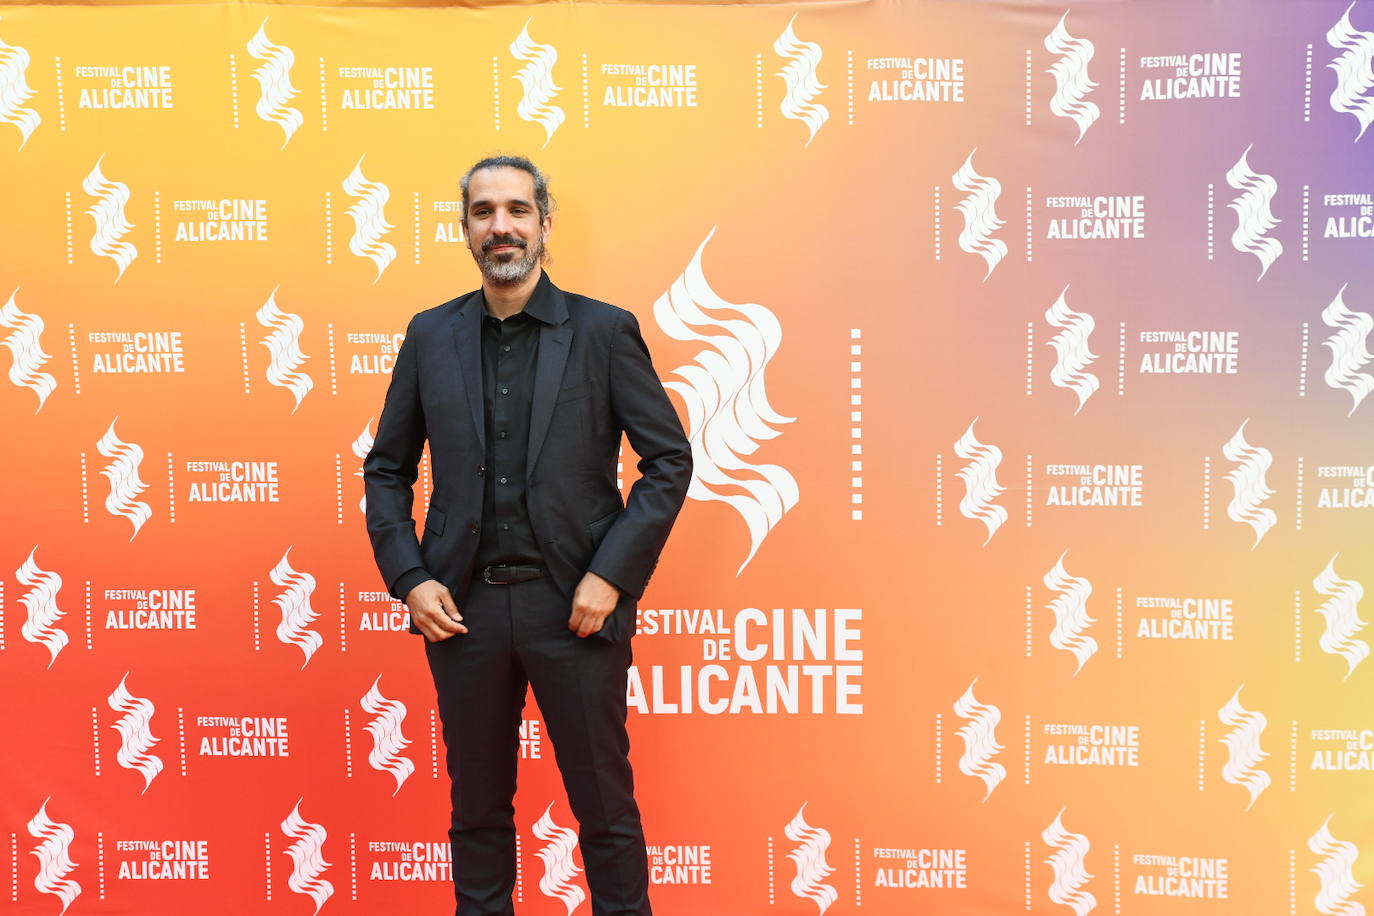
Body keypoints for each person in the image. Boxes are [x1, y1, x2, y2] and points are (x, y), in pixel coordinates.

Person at [363, 154, 692, 916]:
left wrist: (611, 575)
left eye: (516, 209)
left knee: (605, 811)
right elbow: (386, 469)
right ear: (465, 229)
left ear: (545, 223)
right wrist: (411, 579)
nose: (500, 226)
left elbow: (669, 460)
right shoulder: (430, 335)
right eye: (483, 212)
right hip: (462, 613)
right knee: (476, 814)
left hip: (575, 609)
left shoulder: (603, 331)